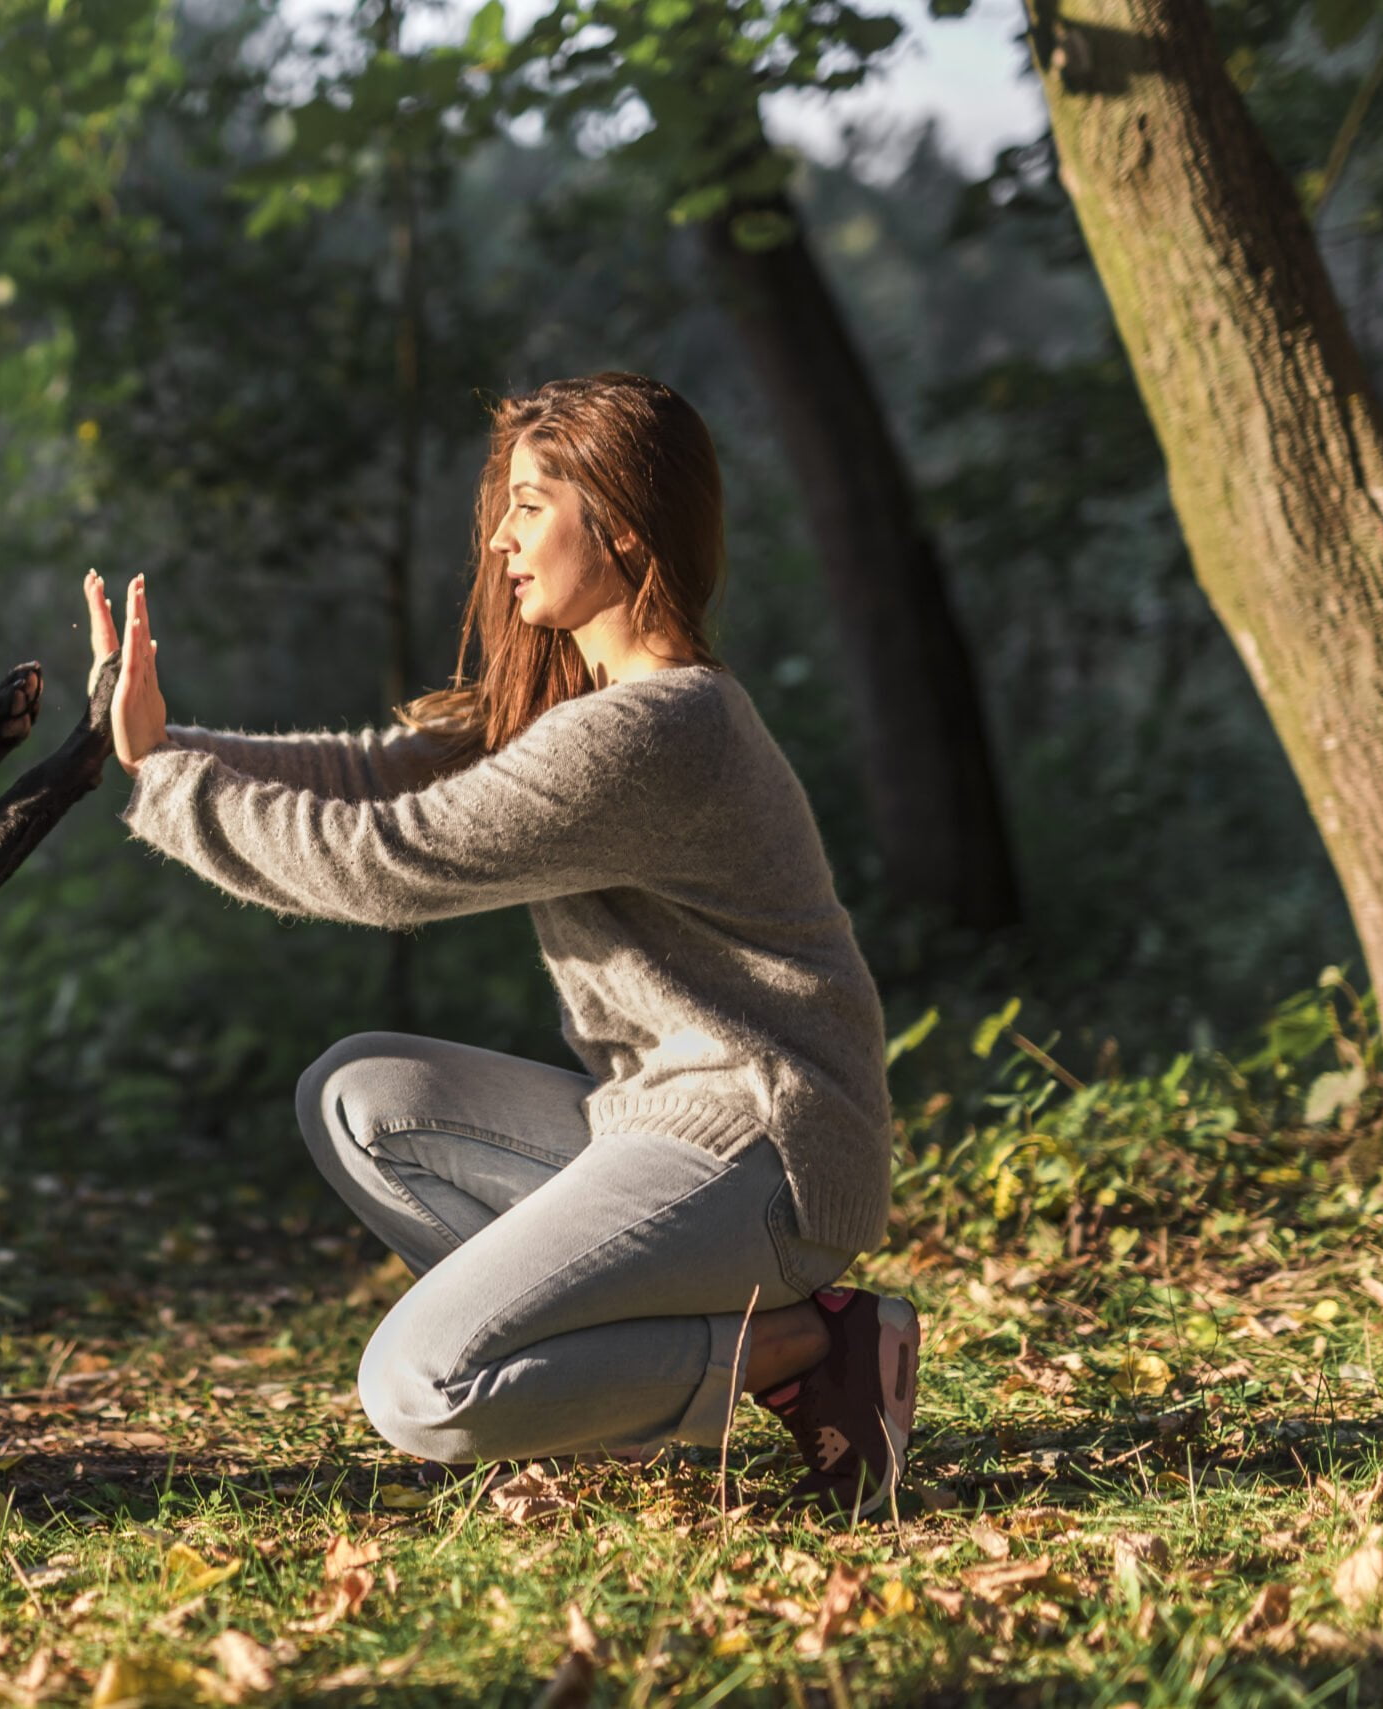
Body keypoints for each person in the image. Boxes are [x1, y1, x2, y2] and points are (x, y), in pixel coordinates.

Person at [79, 372, 917, 1519]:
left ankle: (791, 1349)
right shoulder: (595, 708)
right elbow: (380, 771)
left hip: (767, 1152)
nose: (500, 538)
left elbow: (382, 859)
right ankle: (585, 1383)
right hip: (670, 1125)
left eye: (530, 504)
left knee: (420, 1385)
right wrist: (164, 746)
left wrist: (170, 784)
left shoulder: (656, 731)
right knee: (360, 1094)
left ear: (622, 521)